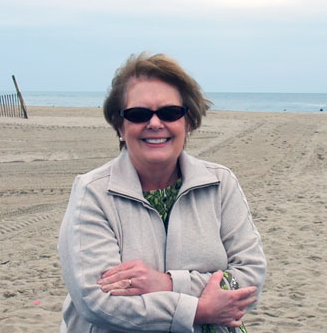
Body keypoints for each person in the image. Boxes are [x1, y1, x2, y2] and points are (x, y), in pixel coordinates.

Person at [58, 53, 266, 332]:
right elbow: (98, 302)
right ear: (120, 126)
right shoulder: (92, 192)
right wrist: (201, 310)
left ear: (188, 122)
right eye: (139, 114)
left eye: (169, 113)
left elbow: (250, 278)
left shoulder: (221, 183)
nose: (155, 123)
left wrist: (166, 283)